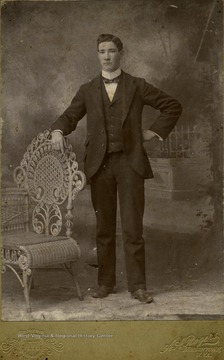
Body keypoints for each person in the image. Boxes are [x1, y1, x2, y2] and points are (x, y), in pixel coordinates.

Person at [50, 34, 182, 303]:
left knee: (133, 228)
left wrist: (153, 132)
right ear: (97, 55)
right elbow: (69, 116)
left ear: (121, 53)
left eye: (111, 51)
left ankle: (138, 286)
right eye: (102, 51)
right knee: (104, 228)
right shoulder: (87, 89)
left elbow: (172, 106)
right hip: (100, 167)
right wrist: (57, 131)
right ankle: (105, 283)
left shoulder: (137, 85)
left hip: (130, 163)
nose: (106, 56)